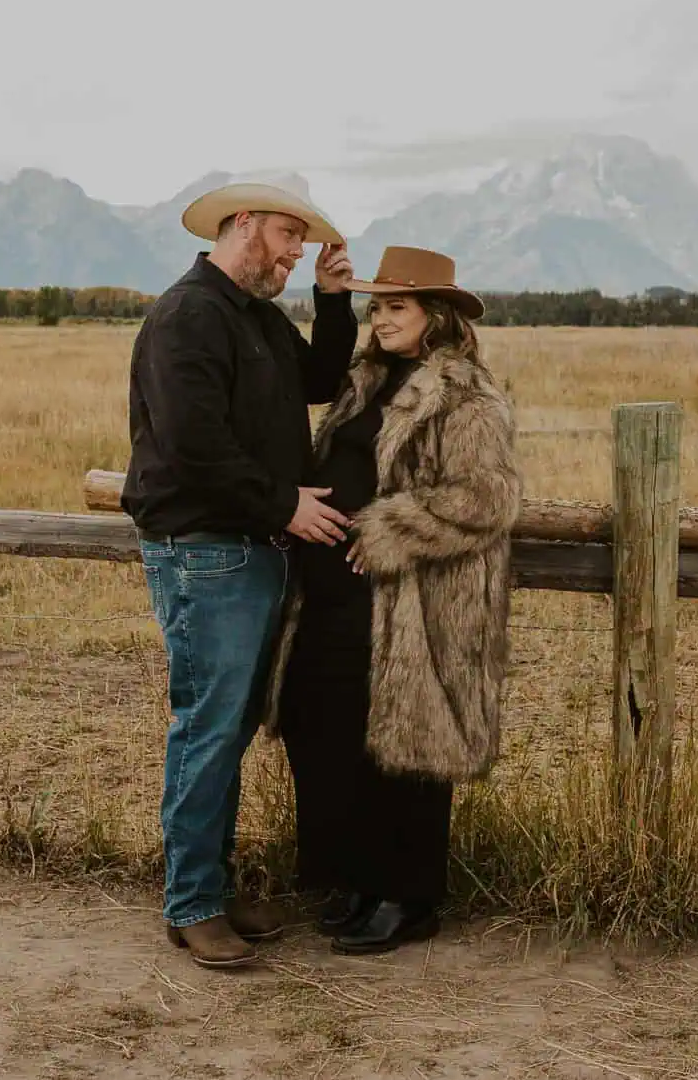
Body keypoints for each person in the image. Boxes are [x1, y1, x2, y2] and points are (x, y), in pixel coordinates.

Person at [124, 182, 360, 969]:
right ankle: (193, 903)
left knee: (225, 727)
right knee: (209, 725)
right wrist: (284, 503)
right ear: (245, 223)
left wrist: (332, 301)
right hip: (206, 549)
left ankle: (208, 893)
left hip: (246, 547)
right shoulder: (188, 315)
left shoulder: (255, 314)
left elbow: (317, 381)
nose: (297, 250)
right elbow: (194, 443)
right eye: (290, 234)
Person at [263, 245, 520, 955]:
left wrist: (389, 528)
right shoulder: (365, 379)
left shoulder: (465, 395)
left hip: (413, 600)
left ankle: (409, 897)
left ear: (435, 315)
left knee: (406, 744)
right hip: (336, 593)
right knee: (335, 732)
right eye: (376, 306)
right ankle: (359, 880)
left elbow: (486, 497)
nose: (381, 319)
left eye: (396, 306)